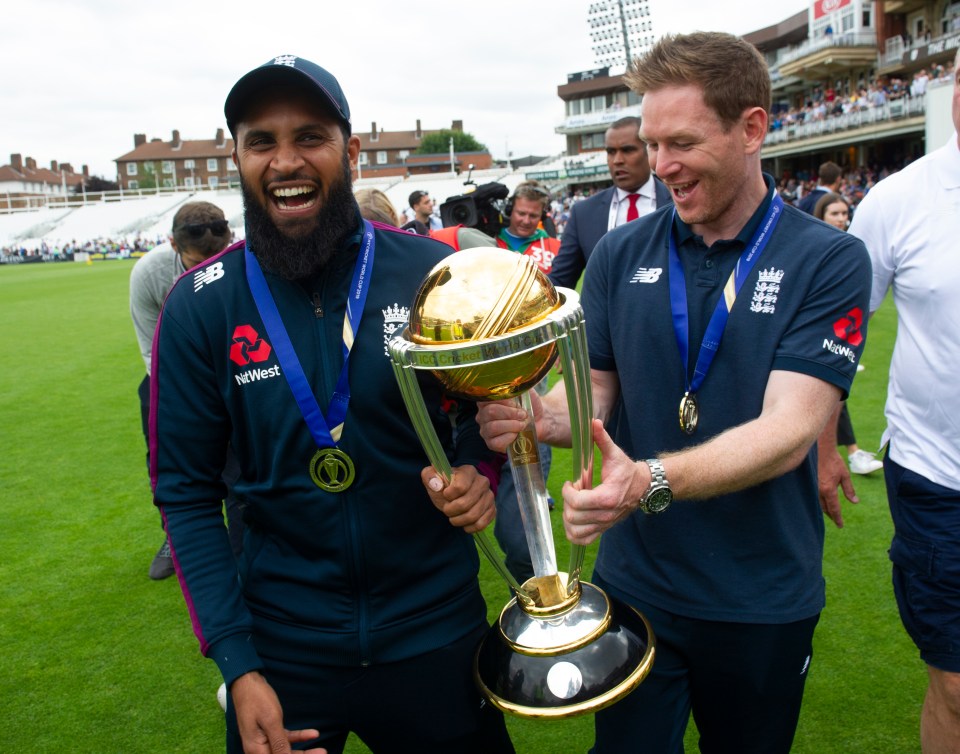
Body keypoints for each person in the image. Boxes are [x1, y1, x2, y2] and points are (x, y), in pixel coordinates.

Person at [478, 32, 871, 753]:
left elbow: (790, 428)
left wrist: (649, 480)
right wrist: (530, 414)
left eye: (681, 143)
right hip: (638, 589)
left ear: (752, 128)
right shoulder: (623, 250)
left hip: (761, 595)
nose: (662, 167)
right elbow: (593, 397)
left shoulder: (829, 259)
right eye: (652, 144)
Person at [150, 55, 513, 754]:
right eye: (262, 141)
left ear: (348, 151)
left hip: (435, 632)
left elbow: (483, 418)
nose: (285, 161)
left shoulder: (428, 274)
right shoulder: (200, 307)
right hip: (284, 652)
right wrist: (238, 662)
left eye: (309, 137)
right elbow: (187, 494)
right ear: (237, 155)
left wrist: (478, 475)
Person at [847, 52, 960, 754]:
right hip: (939, 477)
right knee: (955, 684)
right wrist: (824, 442)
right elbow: (834, 338)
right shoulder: (898, 200)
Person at [129, 201, 239, 579]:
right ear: (174, 247)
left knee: (241, 463)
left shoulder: (247, 261)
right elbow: (150, 348)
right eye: (195, 266)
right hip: (170, 373)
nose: (206, 274)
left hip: (236, 366)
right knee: (168, 462)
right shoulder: (149, 274)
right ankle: (175, 539)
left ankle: (245, 542)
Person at [549, 115, 673, 290]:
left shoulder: (678, 202)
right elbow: (560, 281)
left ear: (649, 150)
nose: (617, 160)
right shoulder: (583, 213)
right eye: (611, 152)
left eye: (628, 150)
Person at [813, 192, 883, 477]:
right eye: (835, 214)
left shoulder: (850, 251)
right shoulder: (813, 248)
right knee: (831, 390)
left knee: (835, 391)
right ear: (822, 216)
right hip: (812, 338)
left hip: (838, 338)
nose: (843, 219)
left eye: (845, 213)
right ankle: (850, 453)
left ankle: (851, 452)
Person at [495, 180, 562, 276]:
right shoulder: (490, 241)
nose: (526, 221)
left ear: (542, 216)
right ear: (510, 210)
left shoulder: (557, 247)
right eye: (521, 213)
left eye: (533, 216)